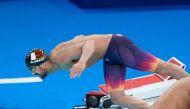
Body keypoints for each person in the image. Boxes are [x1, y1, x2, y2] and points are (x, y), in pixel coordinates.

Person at [25, 34, 189, 109]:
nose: (33, 73)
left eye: (32, 70)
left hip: (118, 46)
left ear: (40, 64)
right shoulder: (57, 55)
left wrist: (82, 61)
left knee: (163, 68)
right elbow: (79, 37)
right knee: (117, 97)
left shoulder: (59, 57)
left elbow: (88, 43)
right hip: (109, 56)